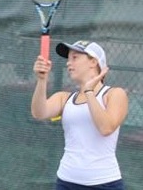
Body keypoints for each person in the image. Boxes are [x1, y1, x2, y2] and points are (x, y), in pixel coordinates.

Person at [31, 40, 129, 190]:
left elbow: (106, 128)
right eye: (68, 59)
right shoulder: (64, 98)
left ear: (93, 62)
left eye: (75, 58)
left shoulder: (115, 94)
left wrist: (89, 91)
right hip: (66, 181)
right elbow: (39, 112)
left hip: (104, 183)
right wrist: (42, 80)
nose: (68, 64)